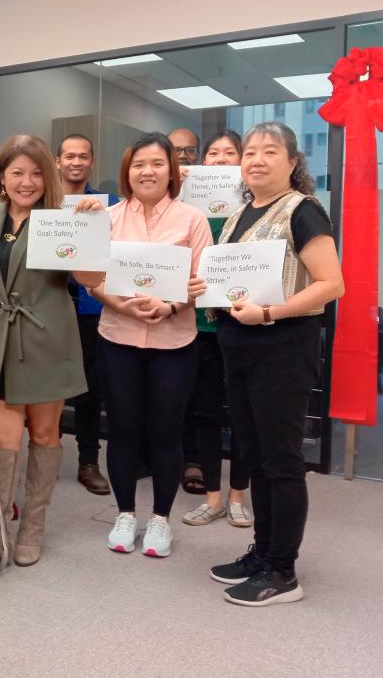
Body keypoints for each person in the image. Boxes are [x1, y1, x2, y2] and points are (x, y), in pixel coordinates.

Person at [0, 134, 105, 574]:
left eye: (34, 172)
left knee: (45, 435)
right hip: (0, 341)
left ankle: (32, 528)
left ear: (46, 176)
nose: (26, 181)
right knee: (4, 439)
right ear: (2, 178)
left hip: (47, 339)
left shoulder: (60, 218)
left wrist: (89, 227)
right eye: (17, 173)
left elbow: (89, 277)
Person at [195, 122, 343, 606]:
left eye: (269, 151)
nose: (256, 159)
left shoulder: (304, 211)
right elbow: (233, 279)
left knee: (282, 462)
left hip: (282, 347)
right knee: (254, 456)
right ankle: (262, 552)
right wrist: (206, 288)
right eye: (250, 152)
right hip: (240, 349)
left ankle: (283, 573)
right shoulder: (240, 212)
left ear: (293, 162)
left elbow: (331, 284)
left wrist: (270, 312)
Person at [92, 132, 212, 558]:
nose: (148, 171)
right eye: (139, 163)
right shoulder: (106, 218)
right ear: (128, 171)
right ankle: (126, 514)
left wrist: (172, 304)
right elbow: (92, 278)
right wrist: (124, 308)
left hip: (174, 340)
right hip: (118, 337)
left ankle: (160, 519)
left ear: (172, 171)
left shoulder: (191, 219)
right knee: (122, 430)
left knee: (166, 432)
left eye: (157, 163)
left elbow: (204, 279)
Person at [179, 130, 253, 528]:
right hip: (201, 326)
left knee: (241, 411)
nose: (221, 159)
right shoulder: (189, 206)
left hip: (243, 321)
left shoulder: (252, 204)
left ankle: (238, 494)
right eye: (214, 153)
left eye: (230, 153)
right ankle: (212, 495)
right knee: (206, 410)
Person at [56, 133, 110, 496]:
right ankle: (46, 457)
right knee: (47, 388)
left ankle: (88, 461)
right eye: (69, 156)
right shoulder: (41, 203)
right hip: (48, 306)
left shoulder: (108, 206)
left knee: (90, 389)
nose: (75, 162)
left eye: (83, 156)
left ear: (91, 162)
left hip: (90, 310)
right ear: (57, 161)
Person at [169, 126, 206, 494]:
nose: (182, 158)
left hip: (208, 316)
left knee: (198, 396)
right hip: (165, 315)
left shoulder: (228, 200)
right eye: (174, 150)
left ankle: (194, 458)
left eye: (189, 151)